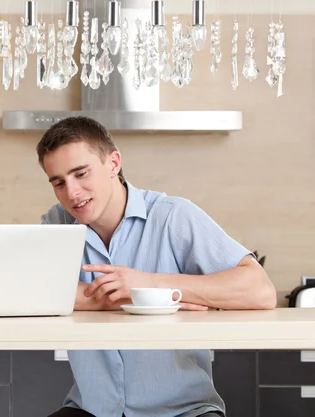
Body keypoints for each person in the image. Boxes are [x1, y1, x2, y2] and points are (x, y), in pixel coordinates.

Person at [36, 116, 277, 417]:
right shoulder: (56, 223)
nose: (71, 193)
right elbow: (39, 294)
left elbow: (260, 290)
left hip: (184, 411)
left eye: (81, 173)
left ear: (113, 164)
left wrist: (152, 285)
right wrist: (141, 303)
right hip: (92, 410)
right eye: (58, 182)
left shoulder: (174, 216)